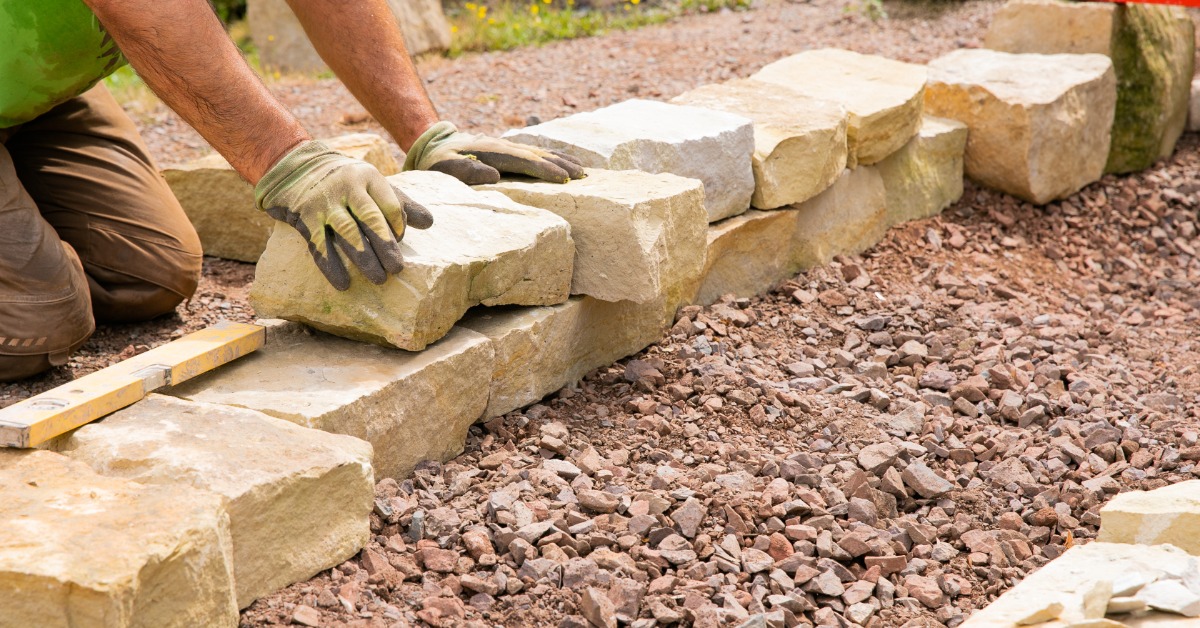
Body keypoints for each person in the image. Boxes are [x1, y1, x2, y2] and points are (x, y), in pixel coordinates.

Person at [0, 0, 584, 382]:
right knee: (38, 322)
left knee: (149, 276)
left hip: (37, 87)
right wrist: (288, 161)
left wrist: (426, 134)